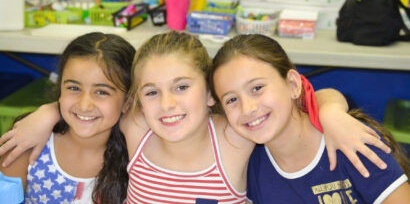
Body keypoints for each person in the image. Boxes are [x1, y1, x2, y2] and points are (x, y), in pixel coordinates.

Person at [0, 31, 391, 203]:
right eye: (152, 92)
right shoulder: (138, 128)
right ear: (137, 99)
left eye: (182, 87)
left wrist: (333, 111)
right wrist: (48, 111)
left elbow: (297, 97)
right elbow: (92, 107)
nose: (167, 104)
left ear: (209, 96)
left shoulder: (235, 136)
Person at [210, 34, 410, 203]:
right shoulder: (249, 162)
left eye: (257, 88)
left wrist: (331, 108)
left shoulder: (350, 140)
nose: (248, 108)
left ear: (293, 85)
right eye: (232, 99)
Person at [0, 32, 134, 204]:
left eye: (102, 92)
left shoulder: (137, 157)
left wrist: (51, 111)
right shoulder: (26, 145)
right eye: (74, 88)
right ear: (60, 89)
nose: (84, 105)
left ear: (127, 101)